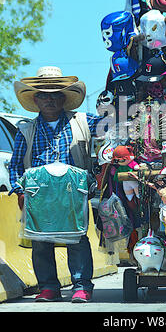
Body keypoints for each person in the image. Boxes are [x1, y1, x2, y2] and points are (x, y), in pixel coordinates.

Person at [9, 66, 105, 303]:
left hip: (73, 192)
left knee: (77, 239)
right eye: (43, 94)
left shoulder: (82, 122)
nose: (49, 99)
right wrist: (19, 190)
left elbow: (110, 128)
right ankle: (48, 287)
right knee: (41, 241)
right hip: (39, 195)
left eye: (55, 94)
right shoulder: (26, 130)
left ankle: (81, 286)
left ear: (64, 98)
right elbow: (15, 166)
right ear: (36, 99)